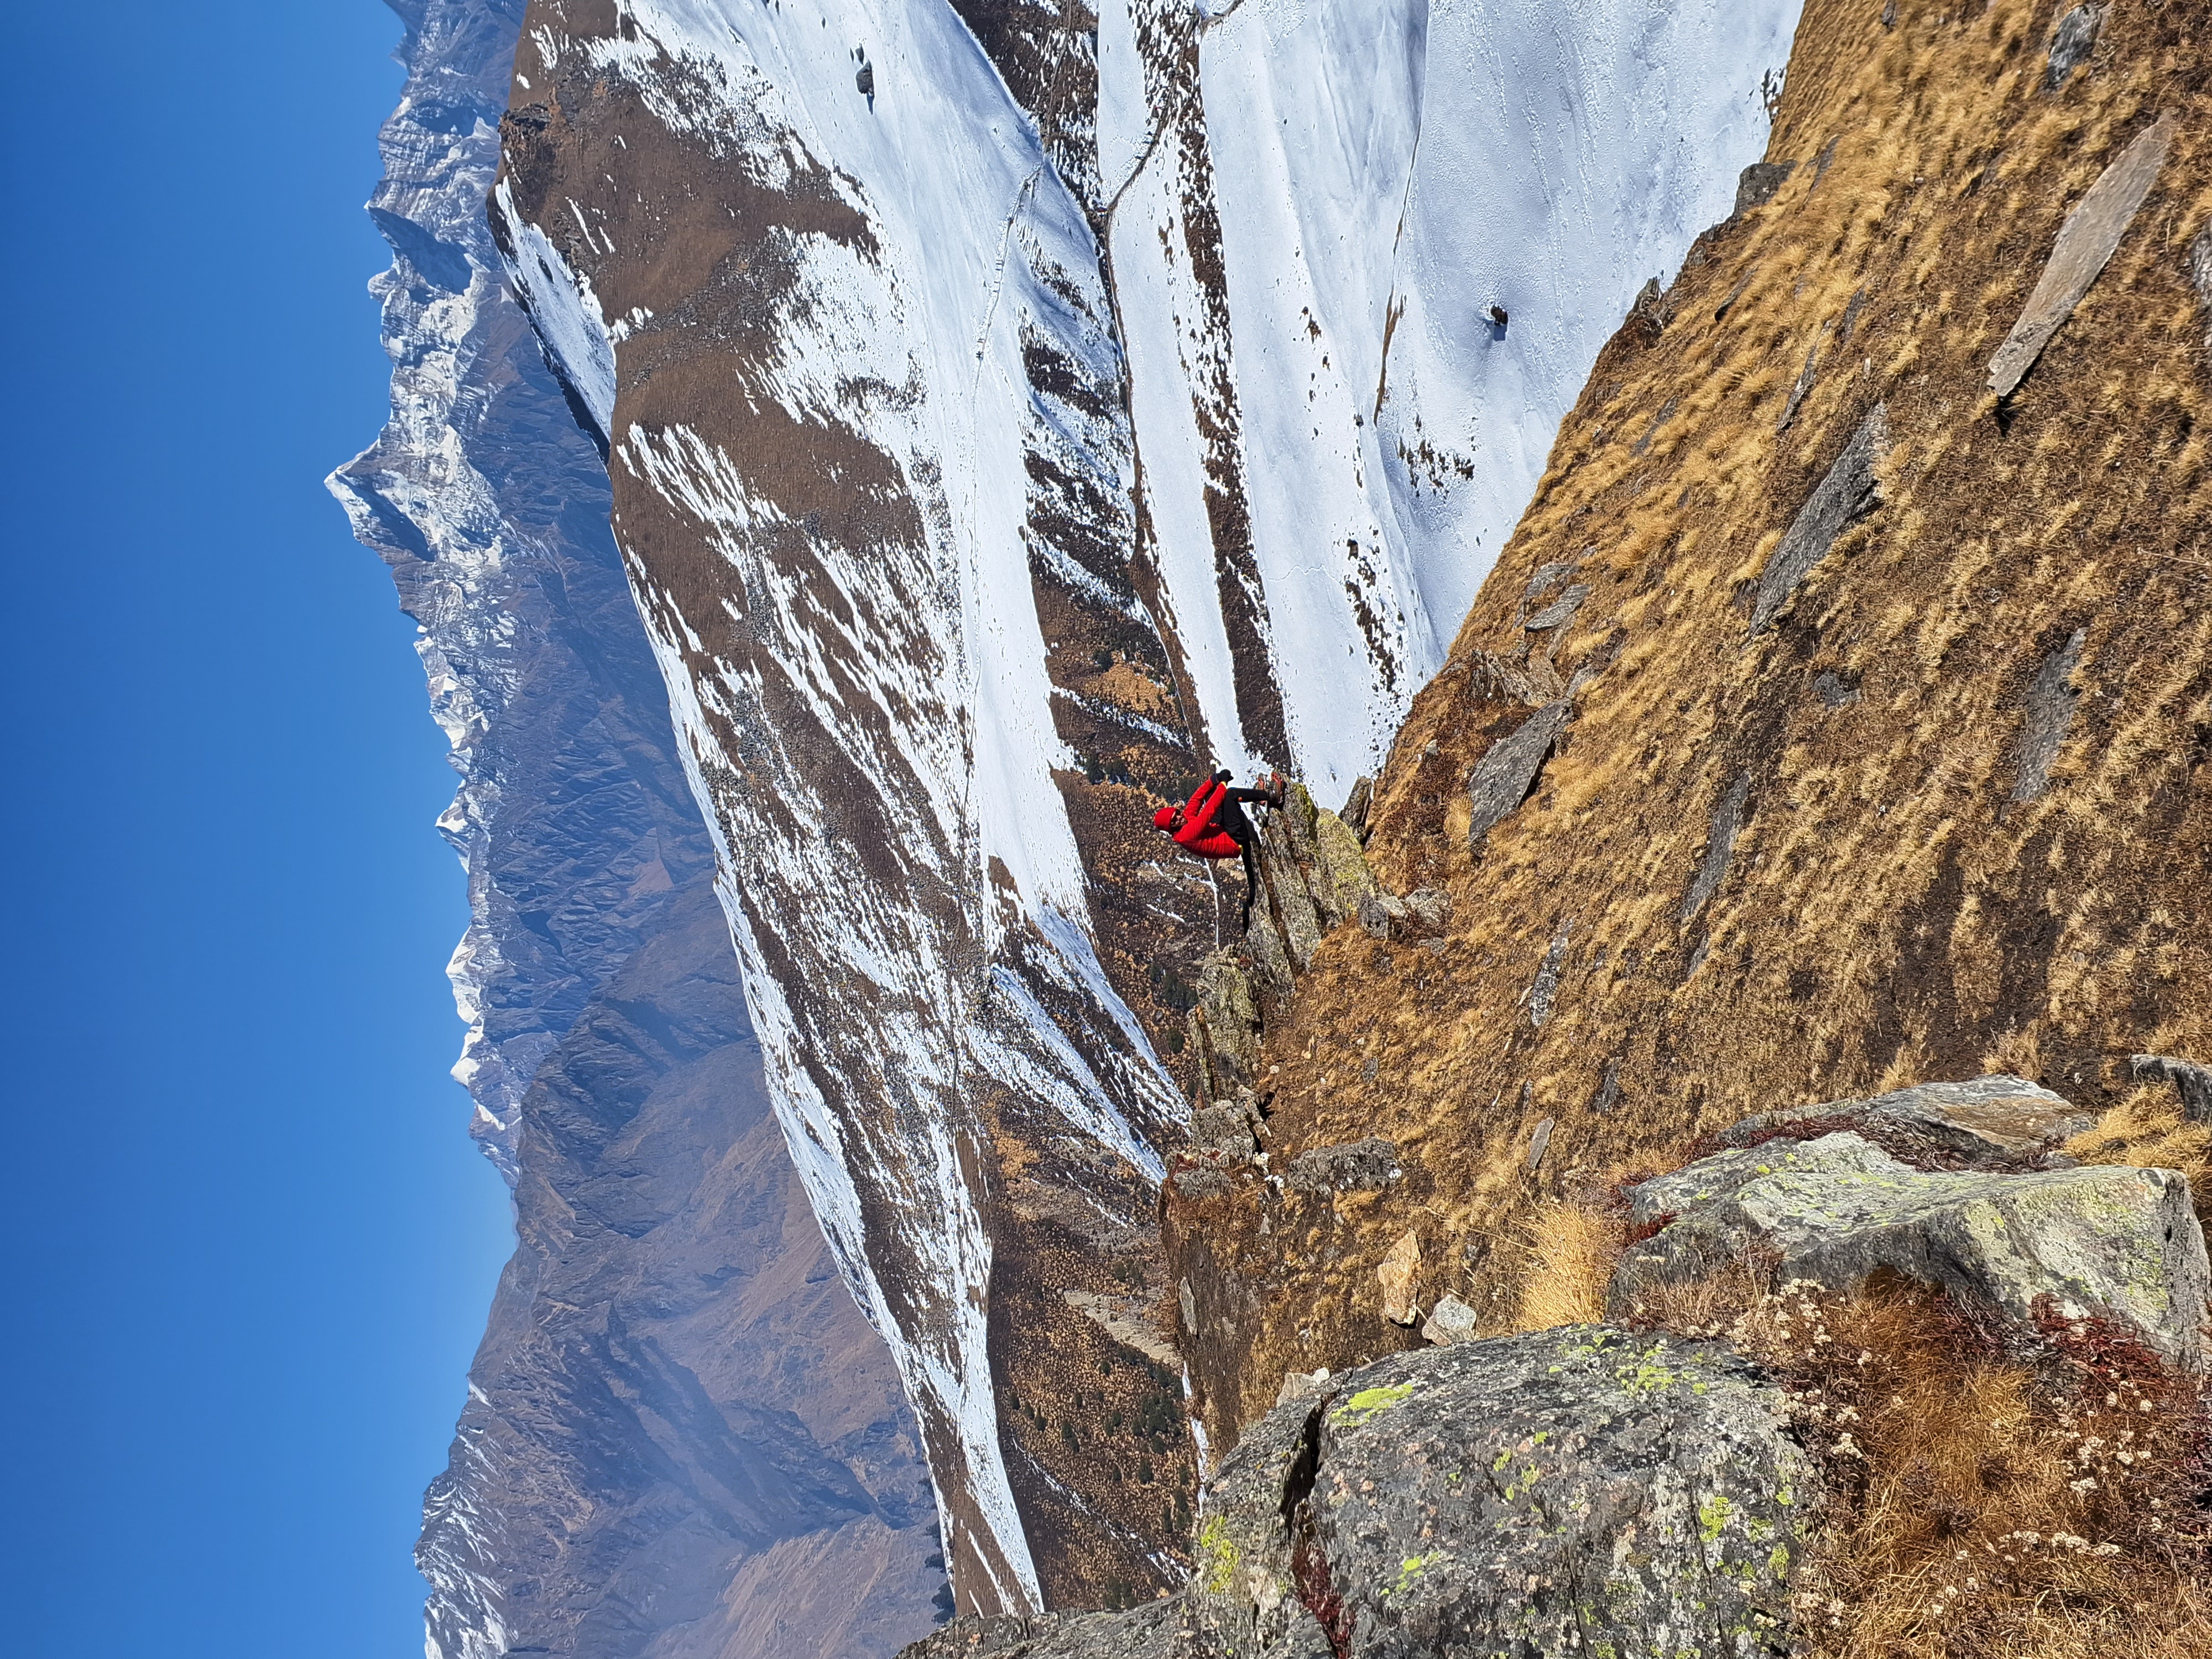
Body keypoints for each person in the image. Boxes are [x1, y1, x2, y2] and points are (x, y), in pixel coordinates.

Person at [1152, 769, 1286, 930]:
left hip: (1224, 831)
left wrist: (1213, 780)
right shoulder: (1186, 835)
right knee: (1229, 795)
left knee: (1211, 794)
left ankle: (1260, 798)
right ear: (1171, 828)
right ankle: (1272, 798)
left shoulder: (1185, 821)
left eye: (1177, 814)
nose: (1180, 818)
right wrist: (1222, 784)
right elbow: (1207, 813)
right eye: (1175, 821)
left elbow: (1197, 799)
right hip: (1236, 842)